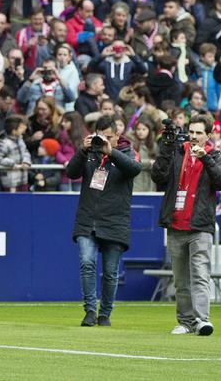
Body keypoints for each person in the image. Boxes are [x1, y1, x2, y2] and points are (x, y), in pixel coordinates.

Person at [150, 117, 221, 336]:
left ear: (208, 134)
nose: (193, 136)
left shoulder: (214, 155)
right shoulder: (176, 151)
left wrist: (206, 160)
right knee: (181, 279)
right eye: (191, 132)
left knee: (200, 274)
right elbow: (158, 175)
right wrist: (166, 146)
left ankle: (202, 319)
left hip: (200, 225)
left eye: (198, 133)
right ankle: (185, 321)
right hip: (175, 224)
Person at [64, 116, 142, 327]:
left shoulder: (128, 152)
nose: (103, 141)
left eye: (108, 137)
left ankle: (105, 314)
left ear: (117, 135)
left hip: (115, 220)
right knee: (87, 263)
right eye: (100, 137)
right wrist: (82, 150)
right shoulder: (89, 153)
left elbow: (135, 169)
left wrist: (111, 152)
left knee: (110, 272)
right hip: (88, 219)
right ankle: (90, 311)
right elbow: (70, 172)